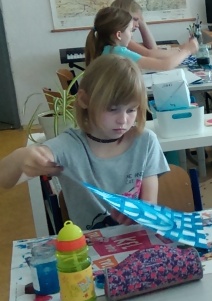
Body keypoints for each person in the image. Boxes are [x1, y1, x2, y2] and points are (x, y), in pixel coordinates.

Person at [0, 55, 170, 230]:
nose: (123, 120)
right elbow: (4, 179)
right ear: (84, 100)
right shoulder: (68, 146)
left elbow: (149, 208)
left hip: (134, 239)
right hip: (87, 245)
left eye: (131, 110)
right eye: (112, 109)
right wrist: (20, 157)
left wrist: (140, 213)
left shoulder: (145, 142)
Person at [84, 7, 198, 69]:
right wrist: (187, 50)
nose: (131, 35)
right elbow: (164, 65)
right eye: (130, 31)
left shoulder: (105, 50)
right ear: (118, 35)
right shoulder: (118, 53)